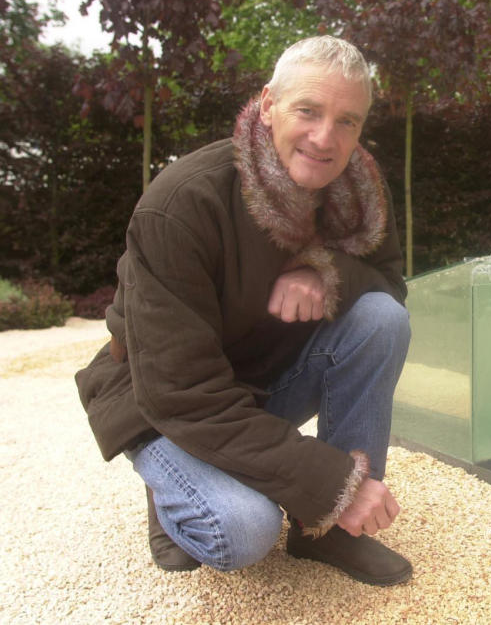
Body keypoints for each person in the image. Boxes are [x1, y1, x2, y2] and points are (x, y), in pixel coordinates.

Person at [75, 36, 412, 586]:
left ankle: (329, 533)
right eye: (308, 110)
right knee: (242, 529)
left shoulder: (359, 190)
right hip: (163, 404)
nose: (325, 138)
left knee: (381, 319)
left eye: (347, 121)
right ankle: (169, 492)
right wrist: (335, 484)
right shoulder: (181, 202)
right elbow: (180, 393)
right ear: (267, 103)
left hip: (258, 384)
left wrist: (323, 273)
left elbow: (390, 286)